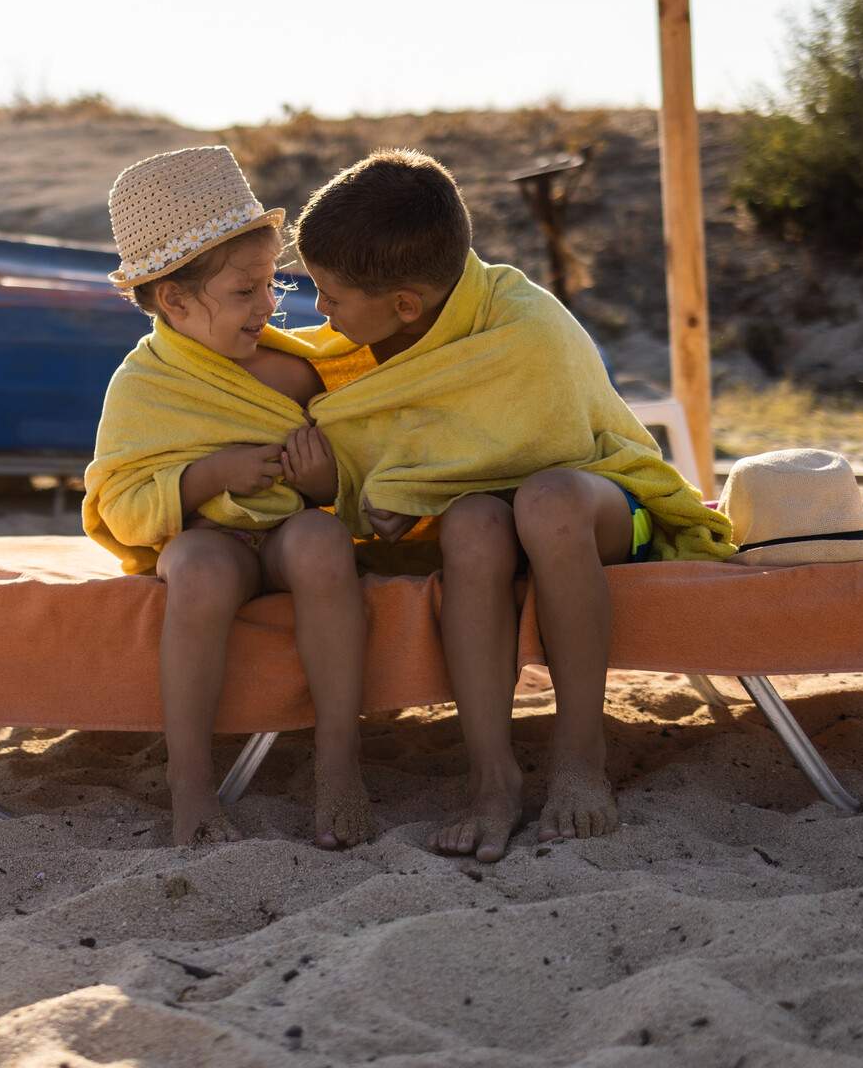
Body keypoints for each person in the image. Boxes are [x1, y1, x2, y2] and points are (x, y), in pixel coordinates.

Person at [262, 149, 734, 861]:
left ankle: (580, 758)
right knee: (476, 524)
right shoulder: (368, 342)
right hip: (490, 515)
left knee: (544, 501)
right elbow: (397, 458)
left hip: (603, 502)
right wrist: (380, 489)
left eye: (330, 295)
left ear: (405, 305)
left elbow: (540, 442)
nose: (319, 310)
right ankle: (492, 777)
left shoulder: (523, 328)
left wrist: (409, 488)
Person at [81, 146, 372, 850]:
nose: (269, 304)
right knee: (200, 570)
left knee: (322, 542)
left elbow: (361, 471)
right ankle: (190, 782)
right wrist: (210, 476)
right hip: (210, 539)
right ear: (175, 300)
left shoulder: (296, 372)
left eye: (270, 283)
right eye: (246, 292)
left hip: (285, 536)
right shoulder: (143, 384)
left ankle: (339, 761)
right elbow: (119, 500)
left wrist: (322, 482)